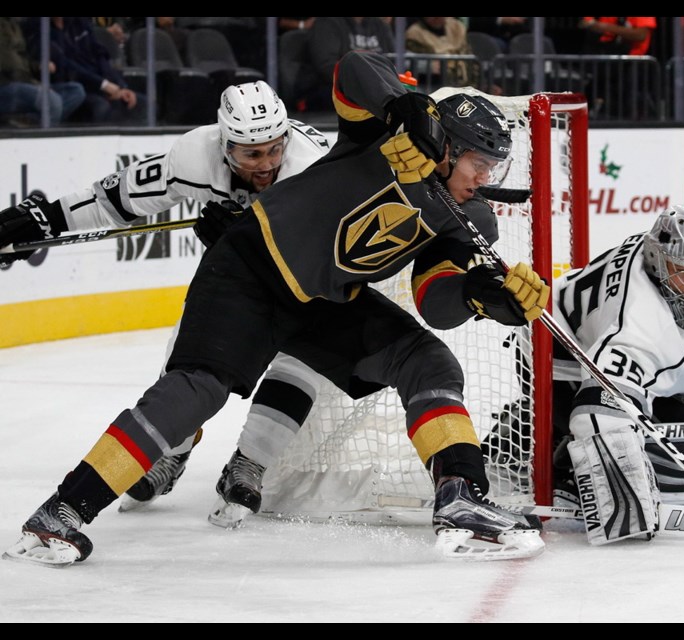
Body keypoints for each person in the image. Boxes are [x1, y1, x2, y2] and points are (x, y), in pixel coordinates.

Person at [2, 49, 550, 567]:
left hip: (323, 299)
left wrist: (487, 297)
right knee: (198, 388)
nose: (487, 180)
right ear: (446, 147)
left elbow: (437, 303)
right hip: (251, 268)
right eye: (480, 163)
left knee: (430, 362)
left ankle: (460, 501)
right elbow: (354, 68)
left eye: (495, 168)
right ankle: (59, 515)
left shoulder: (471, 219)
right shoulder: (385, 139)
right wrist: (399, 107)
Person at [0, 80, 334, 512]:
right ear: (225, 145)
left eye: (274, 149)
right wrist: (47, 220)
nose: (267, 164)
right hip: (241, 277)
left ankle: (250, 461)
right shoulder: (196, 155)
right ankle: (173, 453)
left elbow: (326, 255)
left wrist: (241, 237)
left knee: (305, 354)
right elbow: (116, 199)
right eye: (252, 154)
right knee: (190, 355)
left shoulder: (313, 167)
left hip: (312, 279)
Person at [546, 205, 684, 545]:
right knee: (623, 421)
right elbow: (597, 411)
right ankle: (562, 467)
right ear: (657, 262)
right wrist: (626, 500)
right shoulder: (636, 324)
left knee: (674, 412)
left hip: (598, 326)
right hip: (555, 343)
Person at [22, 17, 146, 125]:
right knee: (100, 106)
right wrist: (103, 85)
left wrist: (119, 86)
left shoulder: (79, 22)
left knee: (142, 103)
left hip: (99, 84)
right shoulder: (37, 28)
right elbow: (65, 66)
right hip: (69, 87)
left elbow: (100, 54)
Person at [294, 17, 395, 112]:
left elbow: (395, 59)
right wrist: (367, 81)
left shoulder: (379, 24)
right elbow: (326, 66)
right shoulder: (327, 22)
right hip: (332, 89)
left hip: (376, 88)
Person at [0, 17, 85, 126]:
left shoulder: (13, 24)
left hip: (24, 81)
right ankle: (38, 134)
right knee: (52, 101)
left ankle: (30, 121)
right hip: (6, 84)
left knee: (76, 91)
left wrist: (39, 65)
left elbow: (23, 58)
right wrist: (37, 85)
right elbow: (9, 63)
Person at [405, 17, 476, 89]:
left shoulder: (457, 27)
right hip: (431, 85)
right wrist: (428, 66)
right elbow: (408, 63)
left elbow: (470, 57)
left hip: (463, 81)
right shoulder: (414, 33)